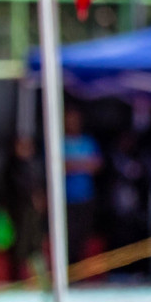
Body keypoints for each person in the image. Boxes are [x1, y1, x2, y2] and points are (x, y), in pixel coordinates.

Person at [62, 106, 102, 263]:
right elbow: (60, 166)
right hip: (66, 197)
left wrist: (74, 164)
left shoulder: (88, 141)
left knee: (83, 236)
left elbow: (97, 165)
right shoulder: (60, 142)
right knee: (68, 235)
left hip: (85, 196)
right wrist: (84, 164)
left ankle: (80, 268)